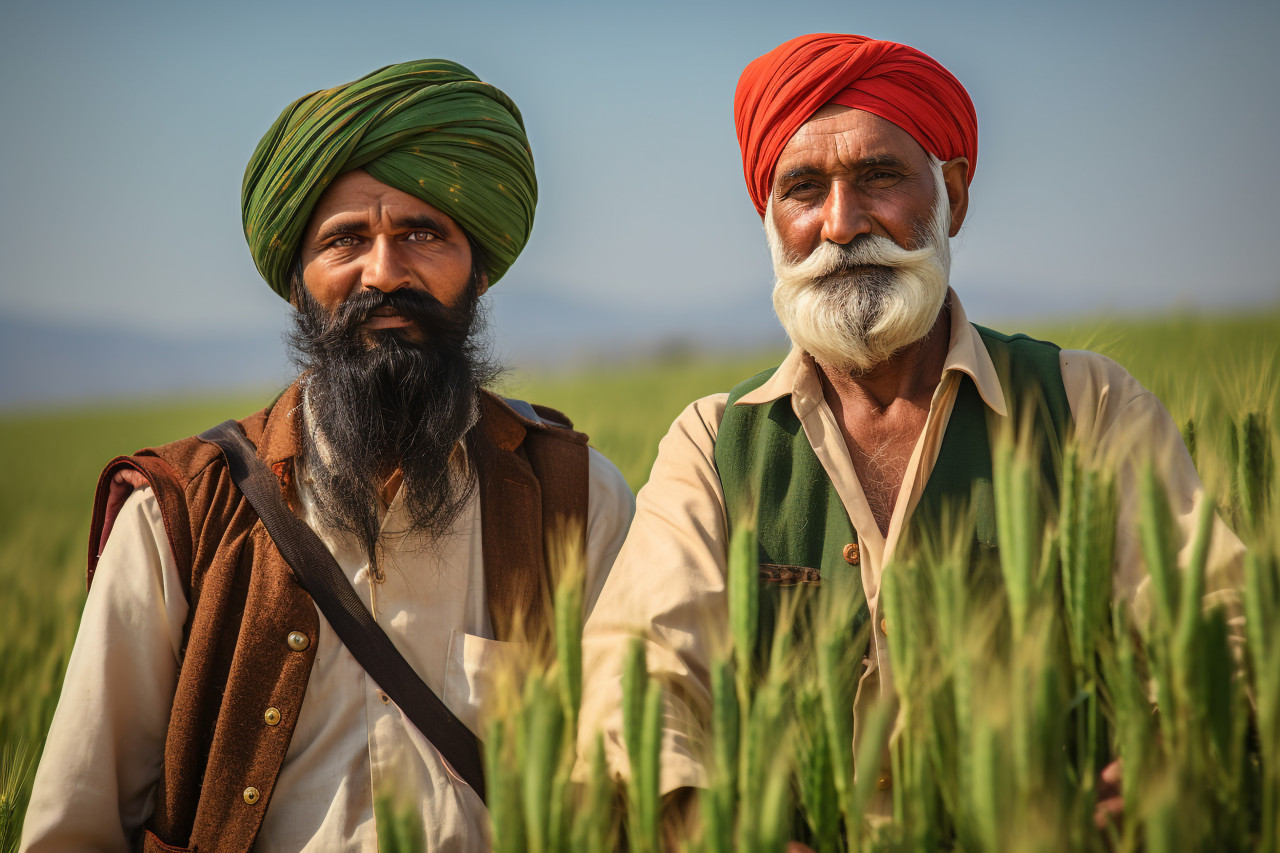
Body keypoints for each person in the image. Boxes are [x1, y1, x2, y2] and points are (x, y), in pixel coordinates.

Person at [577, 32, 1243, 829]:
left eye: (879, 177)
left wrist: (1174, 747)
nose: (841, 222)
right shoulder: (716, 444)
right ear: (768, 216)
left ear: (952, 194)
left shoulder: (1085, 403)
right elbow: (631, 677)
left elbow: (1223, 618)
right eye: (802, 189)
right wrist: (710, 825)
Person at [22, 59, 634, 852]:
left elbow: (644, 793)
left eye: (423, 233)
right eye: (345, 240)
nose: (383, 272)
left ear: (478, 268)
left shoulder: (575, 497)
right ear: (297, 284)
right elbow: (75, 830)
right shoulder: (180, 517)